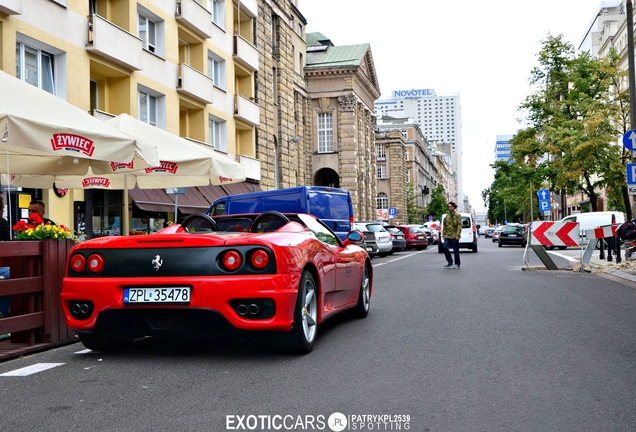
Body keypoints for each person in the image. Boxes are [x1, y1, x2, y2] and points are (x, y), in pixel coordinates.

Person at [442, 201, 462, 269]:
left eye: (450, 206)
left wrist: (458, 235)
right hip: (447, 235)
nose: (449, 208)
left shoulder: (457, 215)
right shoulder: (447, 216)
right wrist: (443, 234)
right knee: (445, 247)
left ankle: (457, 264)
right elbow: (444, 226)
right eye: (448, 206)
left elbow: (459, 226)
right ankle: (450, 262)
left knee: (456, 250)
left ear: (453, 207)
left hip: (454, 235)